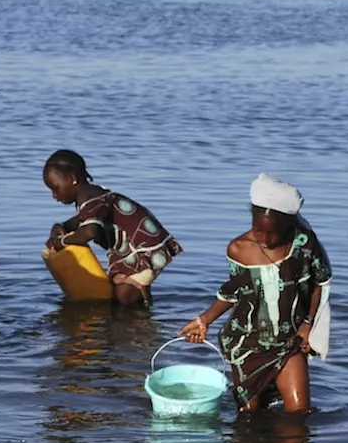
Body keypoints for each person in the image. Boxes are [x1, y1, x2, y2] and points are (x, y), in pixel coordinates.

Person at [178, 174, 332, 414]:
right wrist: (204, 320)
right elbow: (232, 292)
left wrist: (308, 324)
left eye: (272, 233)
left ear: (288, 225)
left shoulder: (304, 244)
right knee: (249, 416)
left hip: (289, 341)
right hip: (247, 344)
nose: (264, 239)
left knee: (299, 415)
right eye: (259, 230)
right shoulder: (238, 249)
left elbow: (319, 284)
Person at [43, 149, 183, 306]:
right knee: (117, 289)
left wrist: (61, 242)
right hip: (132, 248)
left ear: (72, 179)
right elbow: (81, 220)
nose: (54, 195)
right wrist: (61, 226)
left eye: (55, 188)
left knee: (123, 297)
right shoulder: (90, 195)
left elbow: (89, 231)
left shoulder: (88, 196)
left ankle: (141, 302)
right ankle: (138, 305)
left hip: (143, 248)